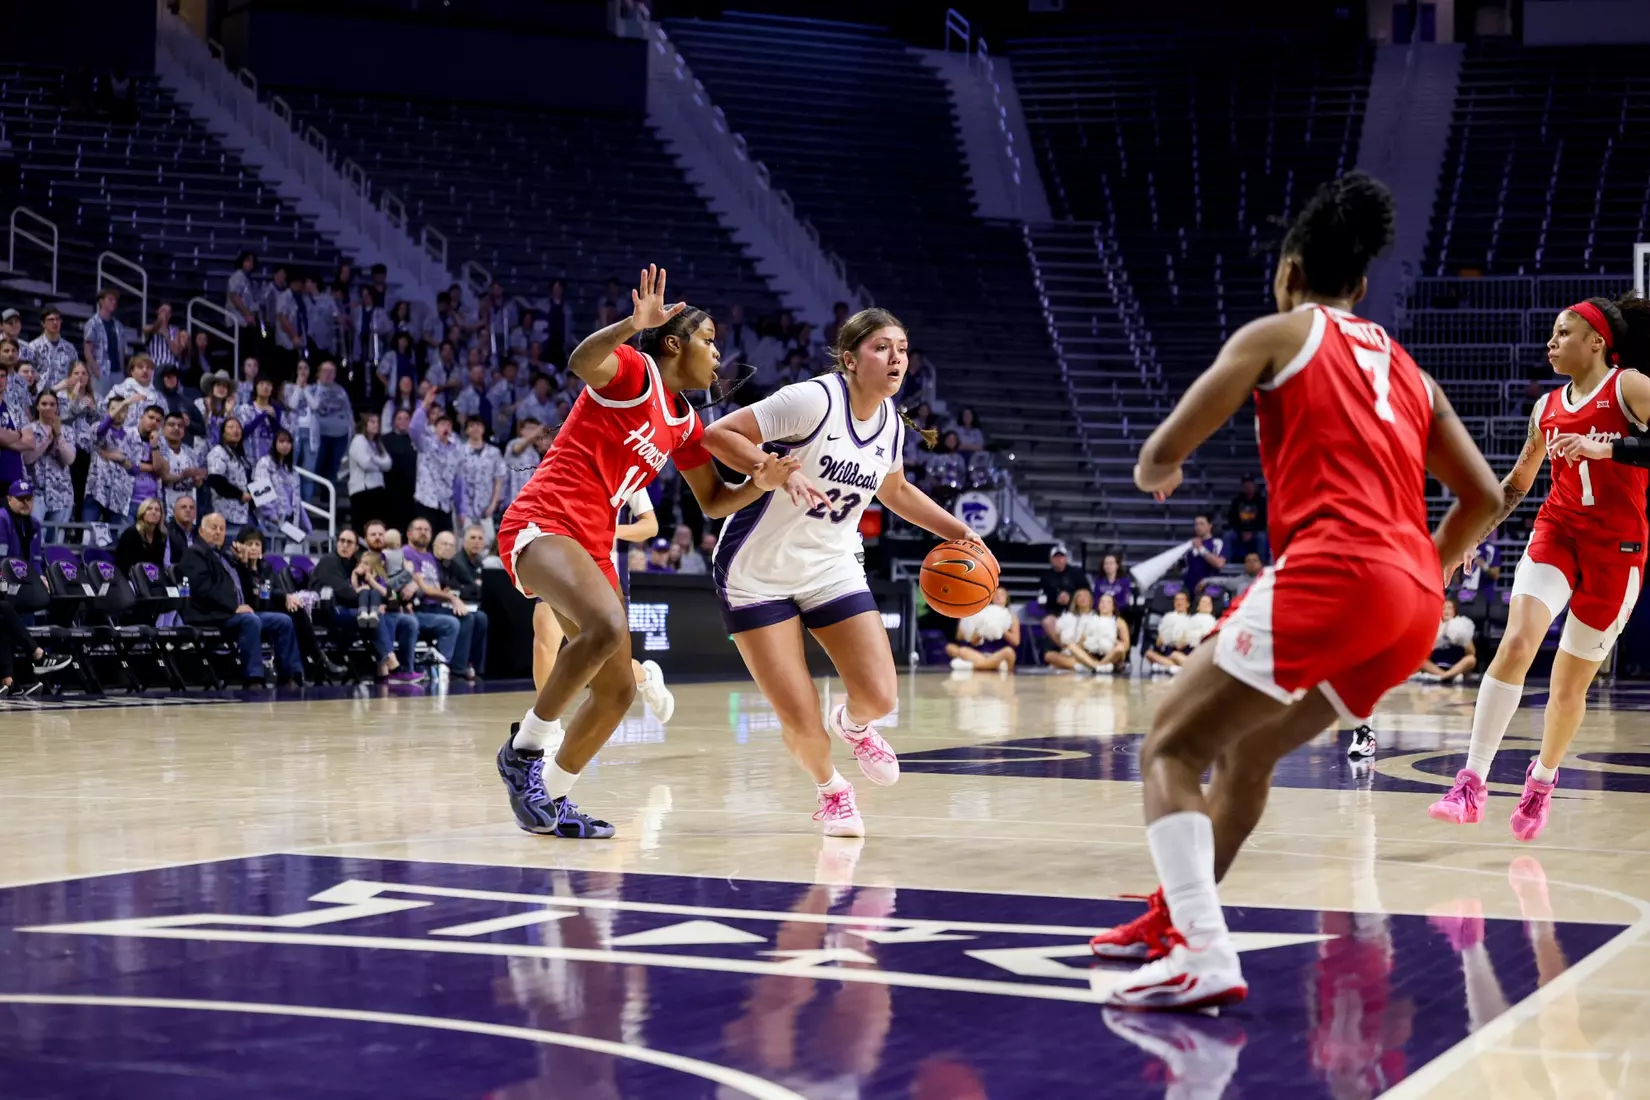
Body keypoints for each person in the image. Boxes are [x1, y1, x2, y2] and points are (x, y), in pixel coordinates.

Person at [1089, 173, 1501, 1011]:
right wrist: (1421, 564)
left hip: (1336, 571)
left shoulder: (1278, 332)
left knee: (1168, 745)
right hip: (1416, 600)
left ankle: (1203, 953)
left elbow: (1163, 450)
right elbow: (1487, 499)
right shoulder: (1411, 370)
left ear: (1289, 272)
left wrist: (1156, 469)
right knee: (1248, 753)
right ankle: (1177, 920)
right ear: (1360, 285)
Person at [496, 265, 799, 839]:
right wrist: (629, 327)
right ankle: (524, 750)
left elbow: (712, 501)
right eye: (709, 342)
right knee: (607, 626)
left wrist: (764, 481)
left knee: (619, 690)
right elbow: (582, 363)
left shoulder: (684, 423)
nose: (717, 356)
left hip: (594, 542)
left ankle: (551, 801)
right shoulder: (633, 374)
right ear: (674, 344)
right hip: (544, 520)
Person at [702, 306, 984, 839]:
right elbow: (718, 435)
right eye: (882, 347)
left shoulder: (891, 424)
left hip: (830, 563)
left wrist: (957, 532)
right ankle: (832, 791)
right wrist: (771, 473)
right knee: (800, 714)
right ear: (851, 359)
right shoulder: (813, 400)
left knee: (881, 696)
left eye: (902, 348)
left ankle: (853, 725)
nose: (896, 357)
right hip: (756, 573)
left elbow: (895, 491)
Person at [1426, 294, 1650, 842]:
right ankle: (1471, 781)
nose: (1551, 343)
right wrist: (1462, 545)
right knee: (1518, 642)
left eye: (1563, 332)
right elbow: (1515, 488)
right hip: (1558, 533)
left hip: (1618, 550)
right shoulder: (1545, 409)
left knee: (1567, 687)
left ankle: (1541, 782)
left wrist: (1611, 451)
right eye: (1551, 333)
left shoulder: (1630, 387)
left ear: (1597, 342)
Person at [179, 513, 303, 689]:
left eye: (222, 529)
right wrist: (233, 608)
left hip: (234, 612)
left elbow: (246, 589)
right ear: (201, 530)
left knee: (283, 621)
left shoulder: (225, 556)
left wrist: (244, 564)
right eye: (213, 527)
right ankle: (254, 678)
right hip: (211, 614)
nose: (218, 532)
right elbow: (203, 590)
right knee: (250, 621)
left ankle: (289, 675)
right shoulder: (194, 554)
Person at [434, 530, 488, 680]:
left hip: (452, 603)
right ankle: (459, 669)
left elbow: (474, 588)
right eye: (444, 544)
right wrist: (452, 593)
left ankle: (476, 668)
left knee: (481, 618)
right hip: (435, 605)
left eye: (451, 545)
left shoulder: (454, 563)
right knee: (467, 618)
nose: (447, 548)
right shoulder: (437, 562)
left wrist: (456, 591)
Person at [22, 390, 76, 539]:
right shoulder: (28, 429)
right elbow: (27, 458)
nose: (48, 407)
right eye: (44, 404)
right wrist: (47, 439)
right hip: (35, 493)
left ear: (57, 407)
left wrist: (58, 435)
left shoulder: (67, 431)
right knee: (34, 538)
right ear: (37, 406)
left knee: (56, 542)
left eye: (52, 404)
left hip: (62, 493)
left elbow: (70, 460)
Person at [409, 389, 460, 534]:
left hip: (446, 504)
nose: (445, 427)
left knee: (445, 542)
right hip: (427, 500)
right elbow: (413, 429)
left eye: (448, 424)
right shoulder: (426, 443)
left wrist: (460, 507)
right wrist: (424, 405)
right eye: (442, 424)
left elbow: (458, 479)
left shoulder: (457, 448)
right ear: (435, 427)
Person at [254, 428, 311, 551]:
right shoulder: (264, 464)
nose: (285, 445)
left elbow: (297, 500)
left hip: (290, 523)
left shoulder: (292, 470)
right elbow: (260, 493)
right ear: (274, 443)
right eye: (281, 441)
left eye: (288, 442)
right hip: (271, 523)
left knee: (287, 561)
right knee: (273, 559)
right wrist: (273, 516)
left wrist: (305, 524)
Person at [946, 585, 1019, 672]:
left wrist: (1001, 628)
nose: (998, 596)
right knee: (955, 649)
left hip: (998, 654)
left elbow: (1016, 642)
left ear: (1007, 599)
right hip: (979, 654)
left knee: (1009, 652)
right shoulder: (982, 614)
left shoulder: (1012, 617)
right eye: (995, 594)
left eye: (1002, 594)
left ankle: (975, 666)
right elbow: (973, 641)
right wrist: (980, 631)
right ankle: (990, 665)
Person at [455, 415, 505, 539]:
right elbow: (456, 482)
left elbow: (498, 480)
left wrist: (493, 505)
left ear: (483, 429)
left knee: (488, 542)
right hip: (465, 509)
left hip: (486, 508)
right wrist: (460, 508)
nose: (475, 428)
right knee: (465, 541)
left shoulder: (494, 453)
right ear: (466, 430)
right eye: (471, 426)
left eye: (478, 425)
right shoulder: (459, 451)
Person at [204, 416, 254, 529]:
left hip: (243, 514)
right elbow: (216, 481)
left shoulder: (240, 456)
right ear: (223, 433)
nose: (235, 430)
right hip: (225, 515)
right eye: (231, 427)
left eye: (238, 428)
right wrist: (240, 494)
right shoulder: (218, 452)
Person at [347, 411, 393, 525]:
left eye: (377, 422)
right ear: (365, 424)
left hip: (377, 487)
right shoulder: (358, 440)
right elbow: (366, 464)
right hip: (362, 490)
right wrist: (378, 462)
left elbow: (388, 464)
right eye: (372, 422)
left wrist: (374, 458)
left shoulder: (377, 443)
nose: (376, 425)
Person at [1418, 597, 1477, 684]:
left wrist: (1462, 637)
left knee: (1471, 659)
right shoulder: (1434, 626)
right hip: (1436, 666)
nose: (1446, 611)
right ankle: (1445, 676)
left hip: (1456, 666)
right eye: (1443, 608)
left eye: (1449, 608)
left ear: (1454, 611)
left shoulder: (1462, 625)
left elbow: (1471, 653)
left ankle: (1446, 675)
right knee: (1419, 660)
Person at [1038, 543, 1086, 642]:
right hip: (1055, 611)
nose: (1059, 560)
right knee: (1047, 622)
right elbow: (1042, 597)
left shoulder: (1077, 573)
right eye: (1056, 557)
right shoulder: (1045, 576)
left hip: (1077, 610)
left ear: (1066, 558)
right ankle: (1064, 646)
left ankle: (1074, 648)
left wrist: (1071, 598)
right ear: (1051, 560)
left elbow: (1087, 592)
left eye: (1061, 557)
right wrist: (1056, 598)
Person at [1144, 589, 1194, 673]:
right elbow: (1158, 643)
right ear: (1174, 603)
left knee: (1175, 655)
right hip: (1167, 651)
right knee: (1148, 653)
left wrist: (1174, 640)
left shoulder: (1191, 620)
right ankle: (1172, 666)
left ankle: (1165, 665)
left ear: (1188, 604)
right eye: (1176, 600)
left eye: (1182, 600)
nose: (1179, 602)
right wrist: (1165, 638)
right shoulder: (1167, 618)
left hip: (1182, 652)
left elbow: (1181, 645)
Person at [114, 496, 167, 574]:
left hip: (152, 578)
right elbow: (122, 564)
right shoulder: (131, 533)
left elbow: (159, 564)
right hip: (129, 578)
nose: (153, 512)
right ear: (142, 513)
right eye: (149, 509)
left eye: (157, 510)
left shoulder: (161, 535)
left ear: (161, 515)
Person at [0, 479, 44, 567]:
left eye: (29, 499)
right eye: (20, 498)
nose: (25, 503)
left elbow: (36, 559)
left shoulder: (35, 524)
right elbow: (1, 558)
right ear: (9, 499)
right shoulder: (2, 519)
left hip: (25, 574)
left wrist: (39, 577)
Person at [1181, 514, 1227, 596]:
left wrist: (1201, 548)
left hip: (1209, 589)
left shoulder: (1217, 543)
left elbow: (1219, 564)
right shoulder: (1189, 544)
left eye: (1202, 524)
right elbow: (1181, 568)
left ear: (1210, 526)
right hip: (1189, 588)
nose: (1198, 527)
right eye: (1196, 524)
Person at [1226, 476, 1268, 562]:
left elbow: (1264, 521)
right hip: (1239, 531)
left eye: (1250, 484)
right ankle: (1226, 564)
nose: (1248, 486)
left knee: (1262, 537)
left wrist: (1252, 532)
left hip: (1256, 531)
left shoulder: (1261, 501)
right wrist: (1242, 532)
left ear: (1254, 485)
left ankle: (1261, 564)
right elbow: (1232, 520)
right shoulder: (1237, 501)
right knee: (1228, 536)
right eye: (1246, 484)